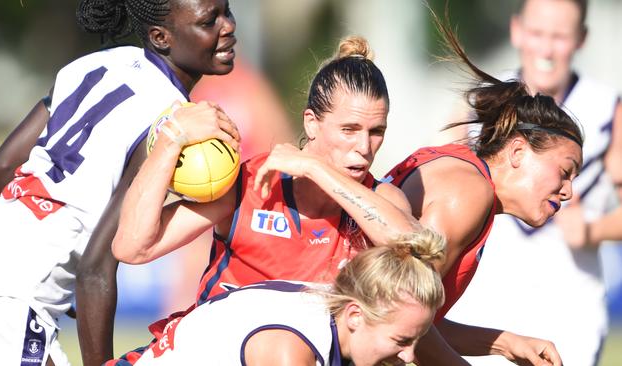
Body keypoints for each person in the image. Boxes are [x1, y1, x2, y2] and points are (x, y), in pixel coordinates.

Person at [106, 35, 419, 363]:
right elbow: (131, 247)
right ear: (311, 123)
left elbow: (412, 246)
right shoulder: (248, 186)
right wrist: (170, 140)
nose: (364, 148)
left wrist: (314, 168)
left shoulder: (381, 201)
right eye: (349, 130)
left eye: (376, 132)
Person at [0, 0, 239, 365]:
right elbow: (95, 270)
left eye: (227, 11)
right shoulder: (169, 123)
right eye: (210, 21)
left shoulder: (93, 63)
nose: (227, 26)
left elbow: (0, 165)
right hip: (11, 294)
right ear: (160, 37)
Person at [383, 6, 584, 365]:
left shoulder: (464, 173)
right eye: (565, 172)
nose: (568, 191)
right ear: (518, 151)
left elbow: (421, 319)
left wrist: (505, 343)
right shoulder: (469, 192)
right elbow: (400, 313)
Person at [444, 0, 622, 365]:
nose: (546, 47)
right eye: (537, 33)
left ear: (581, 39)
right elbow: (446, 180)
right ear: (517, 31)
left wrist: (594, 230)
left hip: (568, 308)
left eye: (559, 36)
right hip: (483, 303)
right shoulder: (483, 100)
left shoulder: (606, 109)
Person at [117, 229, 446, 366]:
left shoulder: (333, 311)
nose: (409, 356)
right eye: (402, 340)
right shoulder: (290, 348)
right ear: (355, 316)